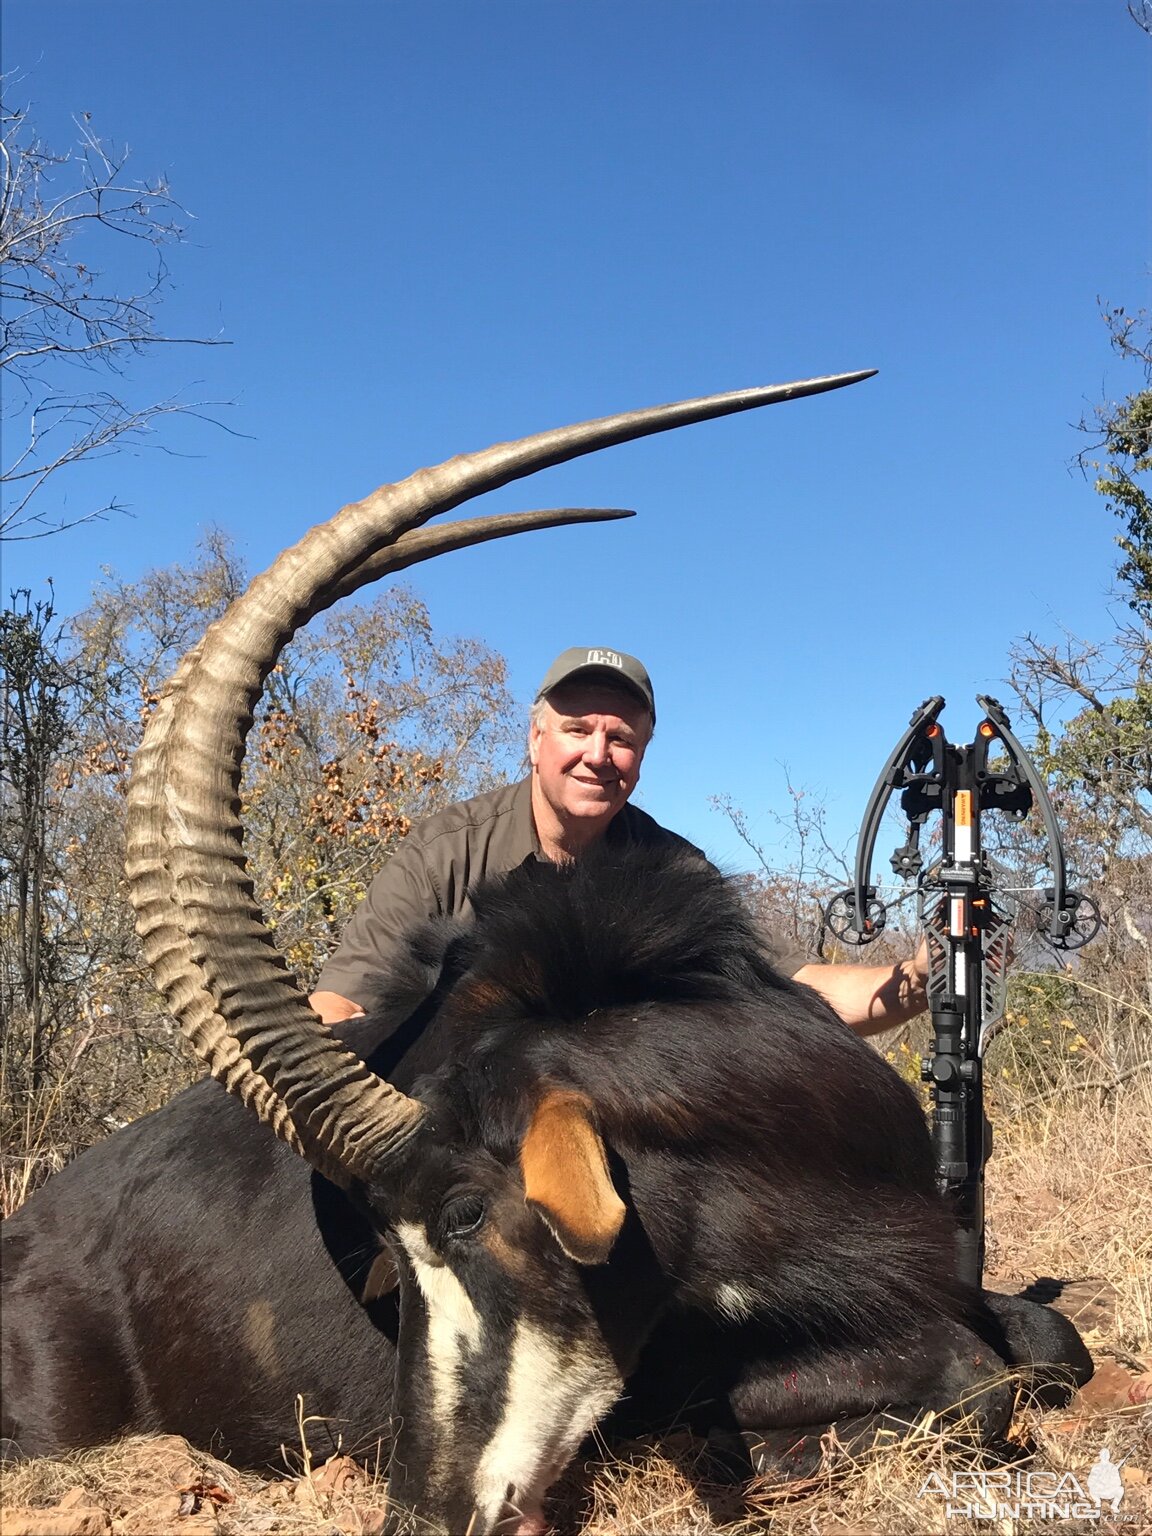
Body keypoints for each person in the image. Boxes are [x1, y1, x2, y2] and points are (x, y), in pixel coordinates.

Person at [309, 646, 929, 1035]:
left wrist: (926, 975)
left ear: (642, 755)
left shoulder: (674, 870)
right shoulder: (443, 852)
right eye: (576, 729)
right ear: (534, 740)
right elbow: (339, 1006)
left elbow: (794, 990)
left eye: (621, 738)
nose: (597, 756)